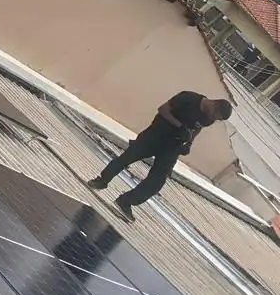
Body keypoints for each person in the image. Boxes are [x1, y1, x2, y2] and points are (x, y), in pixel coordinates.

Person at [86, 92, 232, 221]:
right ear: (214, 105)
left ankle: (126, 201)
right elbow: (163, 109)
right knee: (127, 158)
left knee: (158, 180)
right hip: (155, 136)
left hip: (172, 147)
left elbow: (196, 129)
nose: (213, 119)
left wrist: (189, 142)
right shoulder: (188, 98)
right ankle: (102, 181)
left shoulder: (208, 119)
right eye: (215, 115)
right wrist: (179, 126)